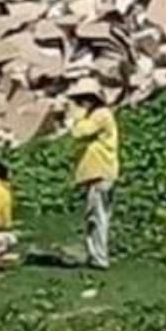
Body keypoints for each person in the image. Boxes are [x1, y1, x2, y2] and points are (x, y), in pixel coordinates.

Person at [70, 100, 120, 270]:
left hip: (101, 173)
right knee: (94, 216)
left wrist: (75, 117)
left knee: (98, 216)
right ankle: (95, 255)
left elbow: (80, 132)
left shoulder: (100, 115)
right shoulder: (95, 115)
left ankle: (99, 257)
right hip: (97, 174)